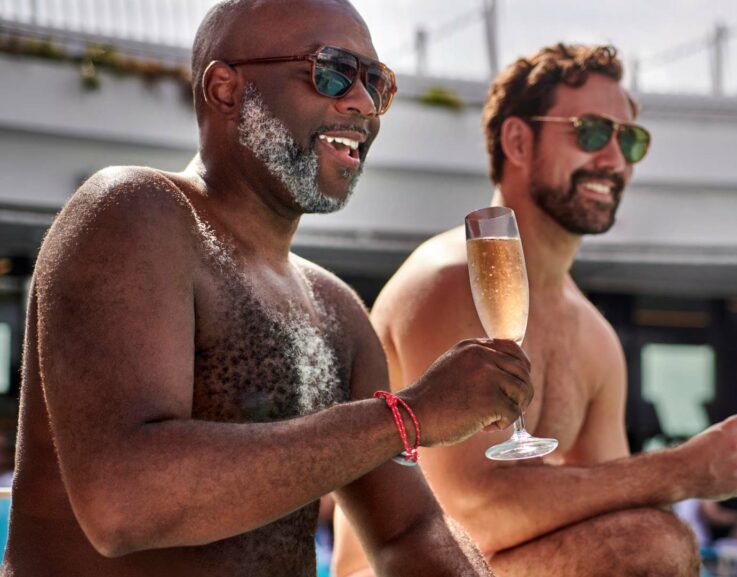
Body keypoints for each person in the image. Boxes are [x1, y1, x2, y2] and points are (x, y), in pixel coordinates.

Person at [1, 1, 536, 576]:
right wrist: (409, 416)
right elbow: (124, 503)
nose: (361, 103)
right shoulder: (135, 213)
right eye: (331, 71)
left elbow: (407, 531)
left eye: (376, 82)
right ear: (227, 90)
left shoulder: (337, 311)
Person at [333, 43, 737, 577]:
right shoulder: (450, 281)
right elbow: (467, 514)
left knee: (655, 539)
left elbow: (617, 503)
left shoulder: (593, 335)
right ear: (517, 140)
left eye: (630, 139)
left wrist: (699, 473)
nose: (614, 159)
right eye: (591, 132)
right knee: (649, 544)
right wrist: (682, 468)